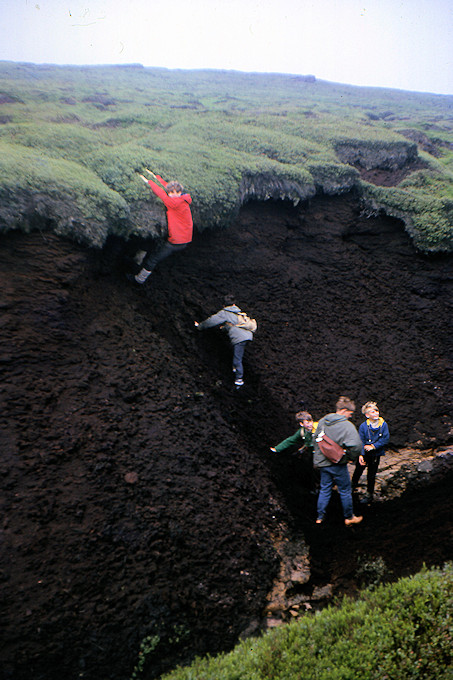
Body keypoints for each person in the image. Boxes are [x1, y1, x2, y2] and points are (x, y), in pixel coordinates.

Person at [132, 170, 193, 284]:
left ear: (179, 192)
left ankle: (139, 280)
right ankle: (138, 260)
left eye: (174, 193)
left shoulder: (173, 203)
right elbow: (166, 188)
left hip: (176, 242)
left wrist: (148, 181)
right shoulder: (183, 198)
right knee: (155, 244)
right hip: (185, 239)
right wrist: (157, 177)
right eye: (170, 193)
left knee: (153, 259)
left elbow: (160, 193)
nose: (172, 195)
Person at [313, 396, 363, 526]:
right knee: (345, 490)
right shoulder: (347, 425)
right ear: (344, 410)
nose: (350, 416)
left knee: (325, 489)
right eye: (350, 413)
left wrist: (318, 460)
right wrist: (350, 458)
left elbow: (315, 441)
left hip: (323, 463)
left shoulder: (323, 421)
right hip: (337, 464)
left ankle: (320, 517)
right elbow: (356, 446)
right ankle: (349, 517)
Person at [194, 295, 254, 388]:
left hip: (239, 338)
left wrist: (199, 326)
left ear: (223, 305)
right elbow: (231, 325)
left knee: (237, 359)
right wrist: (224, 328)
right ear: (234, 304)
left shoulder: (225, 313)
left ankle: (239, 380)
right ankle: (235, 370)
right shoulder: (238, 313)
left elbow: (211, 321)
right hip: (247, 335)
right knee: (238, 356)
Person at [351, 401, 390, 503]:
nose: (376, 413)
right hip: (364, 454)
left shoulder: (383, 425)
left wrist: (373, 446)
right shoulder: (364, 426)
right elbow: (361, 440)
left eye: (376, 411)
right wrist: (360, 455)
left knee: (371, 475)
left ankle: (369, 494)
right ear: (367, 415)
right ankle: (351, 488)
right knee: (358, 471)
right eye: (373, 412)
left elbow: (385, 439)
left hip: (375, 454)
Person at [271, 411, 319, 491]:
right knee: (313, 470)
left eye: (311, 421)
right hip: (313, 454)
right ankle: (316, 487)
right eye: (307, 422)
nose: (310, 424)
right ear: (301, 424)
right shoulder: (302, 432)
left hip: (324, 453)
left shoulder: (318, 427)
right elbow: (291, 440)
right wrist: (277, 448)